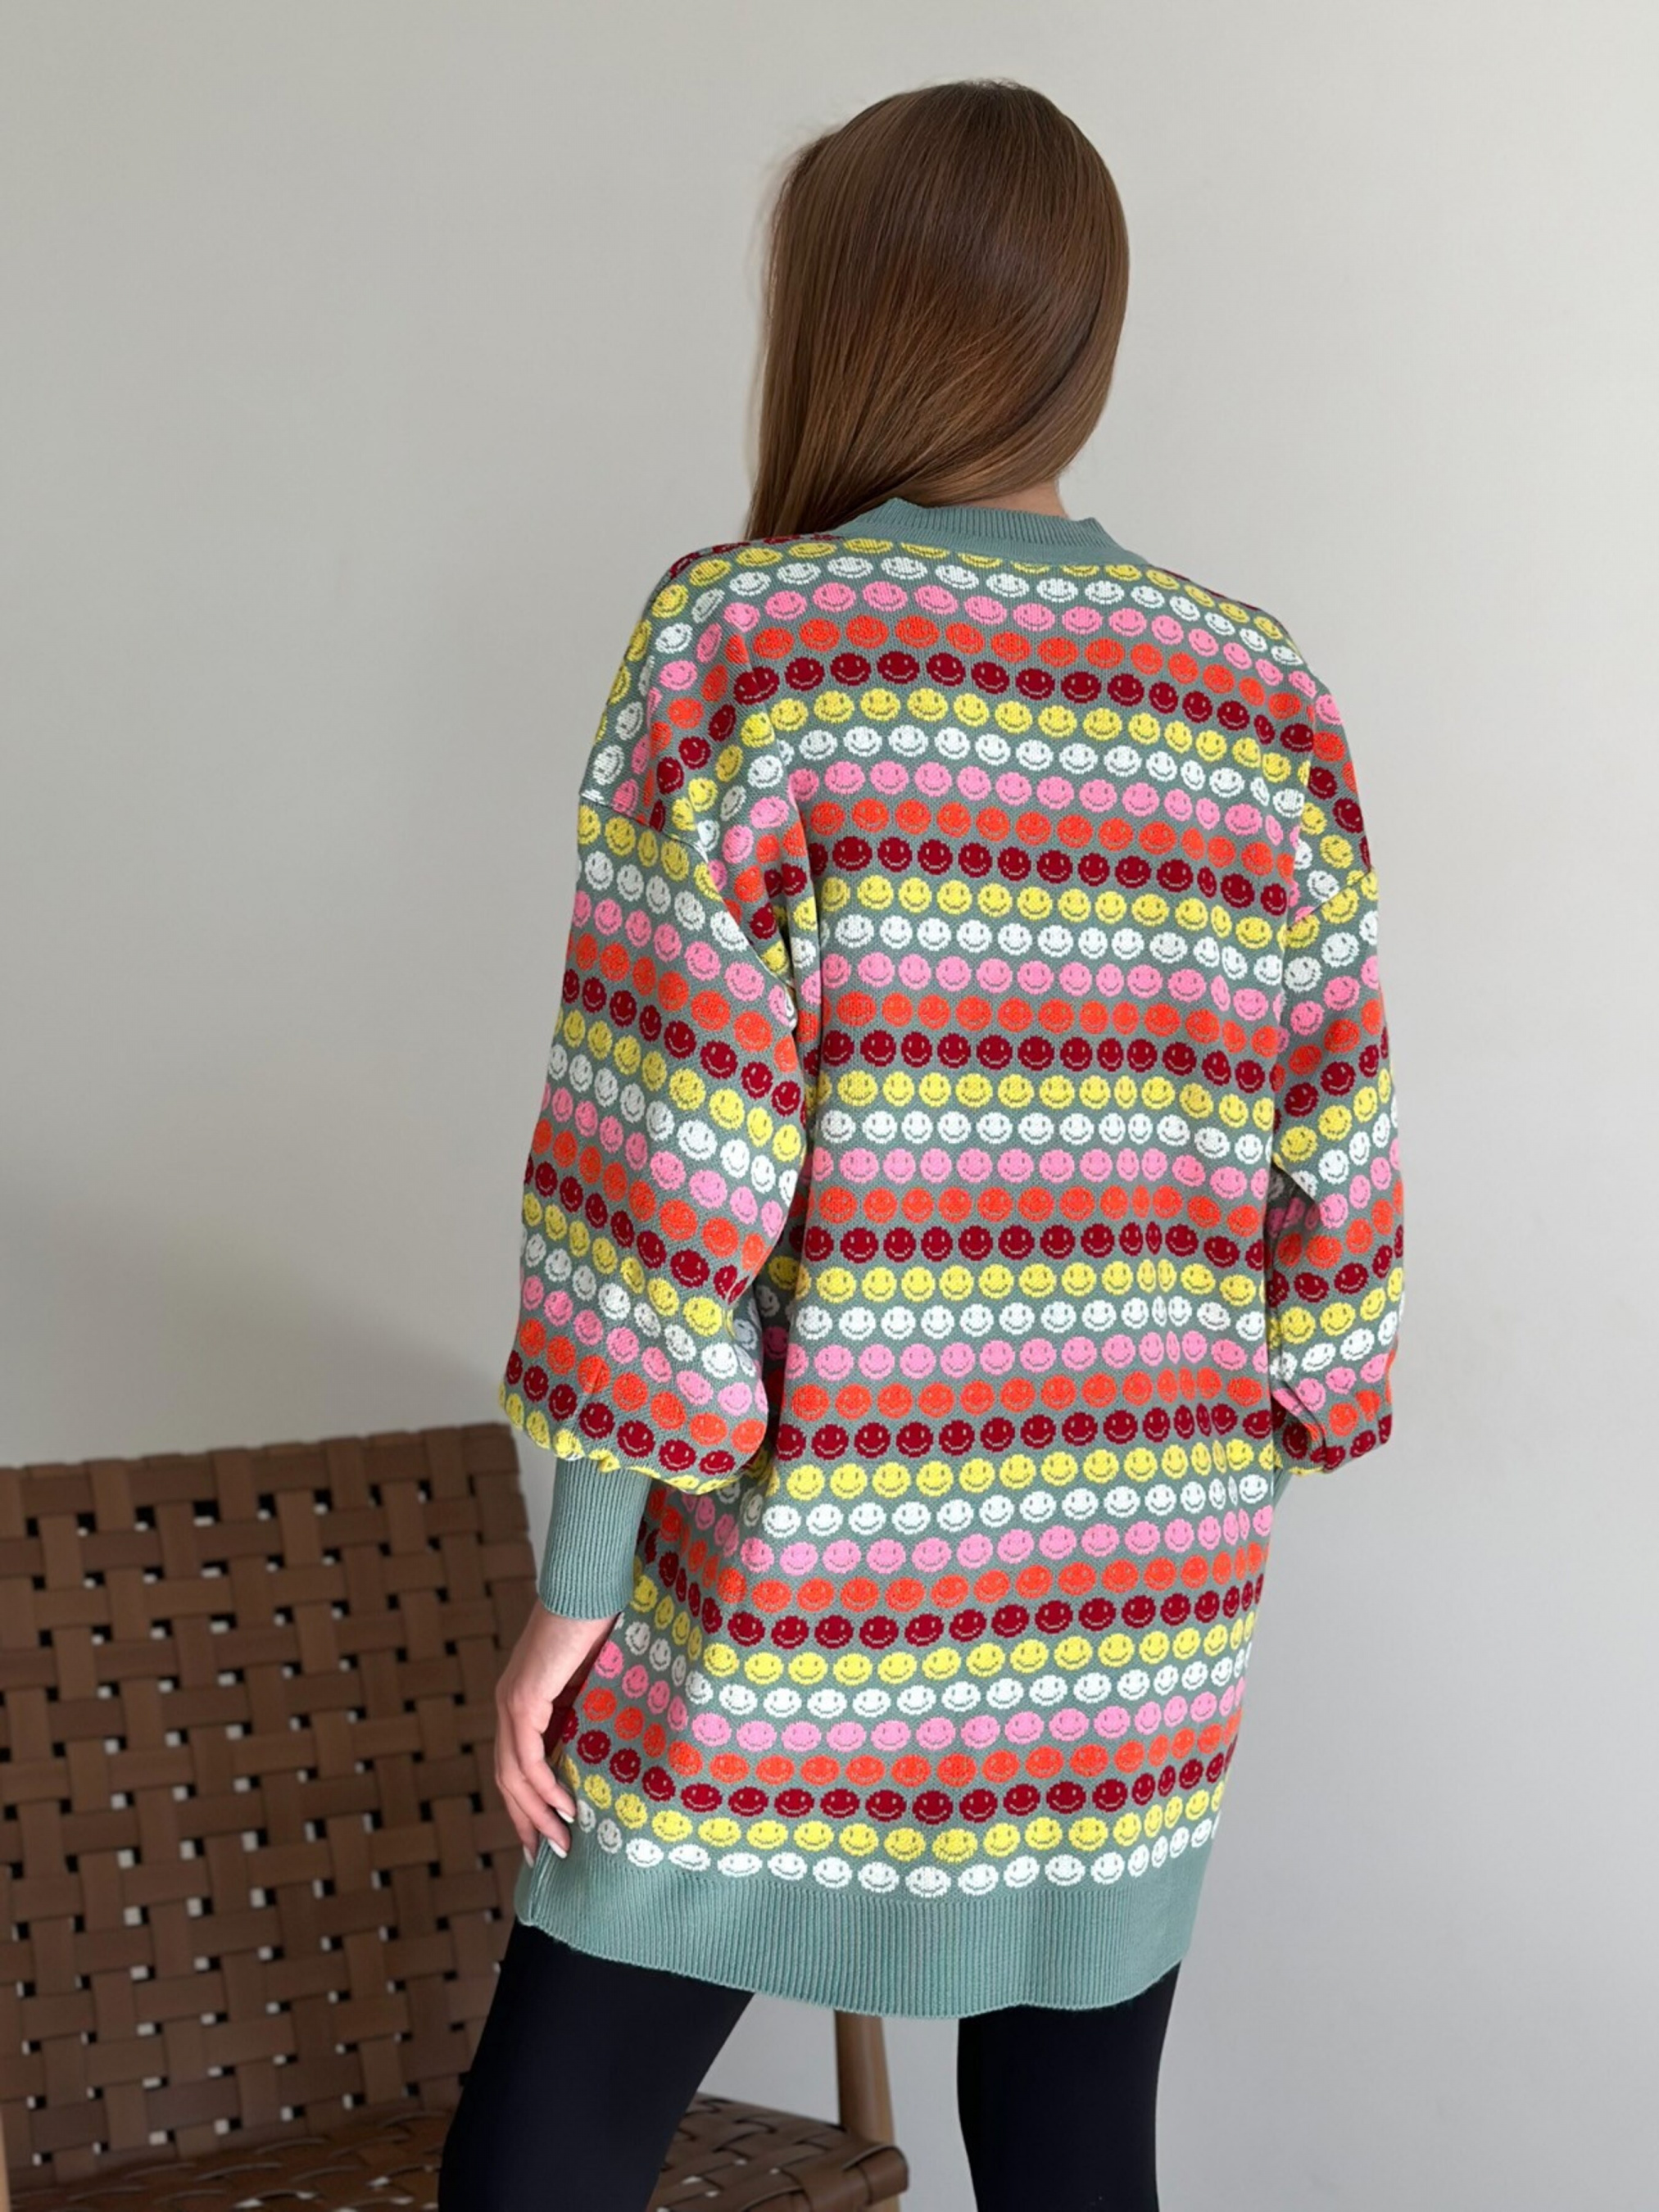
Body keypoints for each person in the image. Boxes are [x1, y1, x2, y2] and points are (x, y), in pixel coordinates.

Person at [441, 75, 1406, 2212]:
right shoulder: (1260, 699)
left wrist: (580, 1588)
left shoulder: (748, 649)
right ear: (1080, 332)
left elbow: (661, 1170)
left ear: (845, 315)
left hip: (811, 1562)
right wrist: (1216, 1473)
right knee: (1070, 2149)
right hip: (1138, 1590)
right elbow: (1331, 1189)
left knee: (544, 2155)